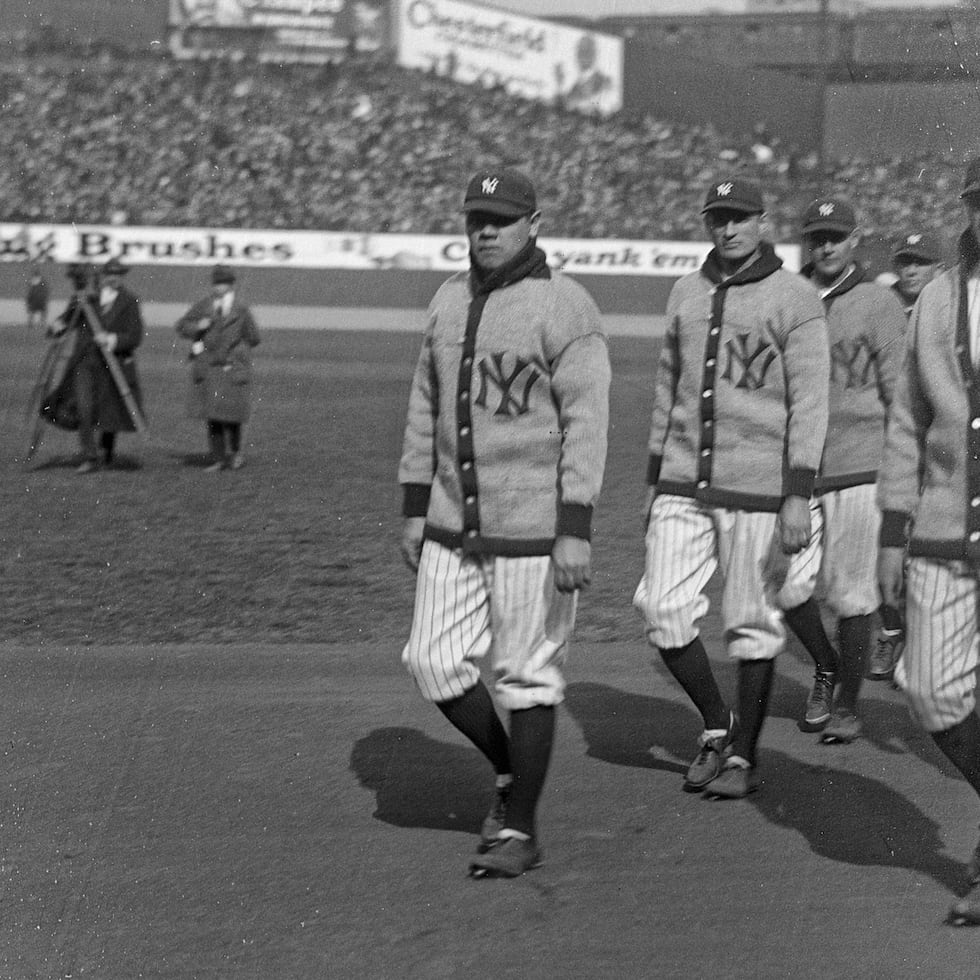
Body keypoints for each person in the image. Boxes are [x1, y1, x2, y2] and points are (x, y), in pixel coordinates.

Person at [398, 167, 610, 878]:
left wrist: (575, 524)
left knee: (528, 675)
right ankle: (510, 770)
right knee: (431, 659)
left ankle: (521, 831)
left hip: (535, 527)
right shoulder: (447, 299)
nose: (485, 231)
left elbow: (586, 422)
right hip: (453, 519)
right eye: (476, 219)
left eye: (501, 219)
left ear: (534, 224)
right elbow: (425, 406)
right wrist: (413, 505)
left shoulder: (565, 305)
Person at [633, 176, 829, 799]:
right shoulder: (685, 292)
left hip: (762, 488)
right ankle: (717, 725)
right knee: (661, 608)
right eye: (718, 218)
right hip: (684, 479)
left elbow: (811, 401)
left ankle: (743, 756)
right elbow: (668, 389)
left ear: (763, 221)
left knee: (751, 619)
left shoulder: (796, 298)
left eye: (740, 218)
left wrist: (798, 491)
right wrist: (654, 476)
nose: (728, 228)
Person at [877, 157, 980, 925]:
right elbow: (908, 422)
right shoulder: (939, 296)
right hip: (944, 526)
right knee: (930, 689)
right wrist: (890, 529)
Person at [776, 198, 906, 742]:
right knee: (781, 587)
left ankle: (848, 704)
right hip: (798, 470)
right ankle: (827, 666)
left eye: (835, 235)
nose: (825, 245)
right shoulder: (785, 296)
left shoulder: (878, 302)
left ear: (855, 239)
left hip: (860, 466)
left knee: (853, 593)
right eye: (816, 236)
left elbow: (899, 392)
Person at [866, 230, 945, 682]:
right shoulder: (883, 304)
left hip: (934, 445)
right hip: (885, 442)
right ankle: (893, 632)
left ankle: (927, 639)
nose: (910, 269)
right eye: (905, 261)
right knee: (886, 542)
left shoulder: (948, 306)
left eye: (920, 262)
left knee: (933, 547)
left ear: (937, 267)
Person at [43, 259, 145, 473]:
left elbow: (134, 336)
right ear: (104, 275)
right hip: (84, 362)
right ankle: (89, 456)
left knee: (110, 412)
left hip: (113, 365)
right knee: (84, 407)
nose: (114, 277)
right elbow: (65, 322)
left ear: (122, 276)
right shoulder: (86, 298)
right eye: (110, 273)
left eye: (118, 274)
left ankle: (106, 452)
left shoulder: (129, 301)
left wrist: (111, 339)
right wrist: (56, 327)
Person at [175, 265, 260, 472]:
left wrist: (238, 352)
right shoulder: (204, 305)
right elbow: (182, 326)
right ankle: (218, 458)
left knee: (232, 416)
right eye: (216, 283)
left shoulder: (241, 310)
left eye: (222, 283)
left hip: (230, 368)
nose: (218, 287)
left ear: (231, 285)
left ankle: (236, 453)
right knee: (213, 415)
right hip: (209, 368)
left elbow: (253, 337)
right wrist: (198, 327)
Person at [890, 231, 944, 318]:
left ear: (938, 269)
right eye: (905, 263)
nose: (911, 271)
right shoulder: (882, 305)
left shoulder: (950, 306)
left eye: (920, 263)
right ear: (895, 268)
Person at [25, 267, 49, 331]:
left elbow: (31, 292)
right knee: (42, 312)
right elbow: (46, 291)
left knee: (32, 312)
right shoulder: (42, 281)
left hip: (35, 299)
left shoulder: (32, 282)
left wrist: (28, 300)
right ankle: (41, 324)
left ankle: (31, 324)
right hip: (40, 299)